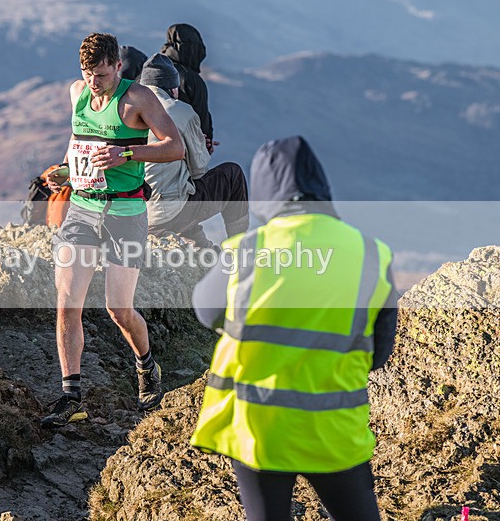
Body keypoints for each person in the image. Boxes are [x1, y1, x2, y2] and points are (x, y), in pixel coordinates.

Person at [189, 136, 399, 521]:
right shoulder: (370, 253)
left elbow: (206, 312)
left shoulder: (247, 249)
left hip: (257, 428)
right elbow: (379, 353)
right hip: (334, 428)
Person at [40, 32, 184, 429]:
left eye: (101, 74)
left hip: (125, 212)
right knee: (68, 302)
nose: (94, 82)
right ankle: (71, 396)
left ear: (117, 67)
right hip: (83, 211)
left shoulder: (138, 99)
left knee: (118, 308)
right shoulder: (77, 93)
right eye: (88, 74)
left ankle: (146, 365)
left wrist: (127, 152)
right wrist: (67, 173)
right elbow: (80, 144)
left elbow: (175, 147)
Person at [138, 53, 249, 249]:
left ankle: (201, 245)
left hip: (136, 216)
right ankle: (239, 246)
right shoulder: (179, 110)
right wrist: (200, 149)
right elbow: (199, 170)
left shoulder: (126, 111)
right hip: (168, 214)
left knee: (178, 182)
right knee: (232, 175)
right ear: (173, 88)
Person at [160, 23, 218, 155]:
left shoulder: (146, 73)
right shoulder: (191, 80)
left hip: (143, 159)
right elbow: (202, 128)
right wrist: (207, 144)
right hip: (182, 158)